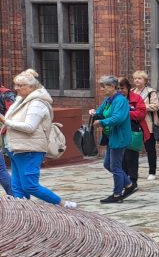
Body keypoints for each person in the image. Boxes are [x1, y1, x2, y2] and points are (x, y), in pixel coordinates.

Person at [0, 70, 75, 207]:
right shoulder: (21, 100)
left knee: (30, 185)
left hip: (30, 149)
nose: (16, 88)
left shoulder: (37, 103)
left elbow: (29, 127)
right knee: (17, 187)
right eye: (15, 84)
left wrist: (5, 121)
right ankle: (23, 212)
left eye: (20, 85)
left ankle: (64, 204)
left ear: (31, 87)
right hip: (16, 148)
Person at [91, 75, 132, 204]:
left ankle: (117, 194)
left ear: (112, 86)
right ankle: (129, 185)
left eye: (104, 86)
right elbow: (100, 112)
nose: (102, 89)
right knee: (107, 164)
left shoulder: (120, 101)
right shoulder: (108, 100)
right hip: (111, 137)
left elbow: (118, 118)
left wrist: (101, 122)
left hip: (119, 137)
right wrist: (94, 113)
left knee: (115, 167)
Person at [118, 77, 149, 196]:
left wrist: (126, 114)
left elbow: (141, 113)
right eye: (118, 88)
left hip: (133, 131)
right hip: (119, 132)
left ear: (128, 88)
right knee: (121, 158)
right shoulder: (116, 99)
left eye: (123, 88)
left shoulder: (136, 98)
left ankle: (133, 181)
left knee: (131, 157)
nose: (121, 90)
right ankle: (124, 182)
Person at [133, 71, 159, 180]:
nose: (137, 80)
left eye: (139, 78)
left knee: (150, 149)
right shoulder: (131, 92)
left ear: (145, 80)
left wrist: (141, 106)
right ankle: (133, 172)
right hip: (134, 123)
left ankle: (152, 172)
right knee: (133, 149)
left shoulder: (150, 92)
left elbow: (155, 106)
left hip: (147, 124)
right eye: (135, 78)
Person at [0, 81, 14, 196]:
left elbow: (13, 114)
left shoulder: (6, 94)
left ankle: (14, 195)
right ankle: (14, 196)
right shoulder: (7, 94)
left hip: (7, 132)